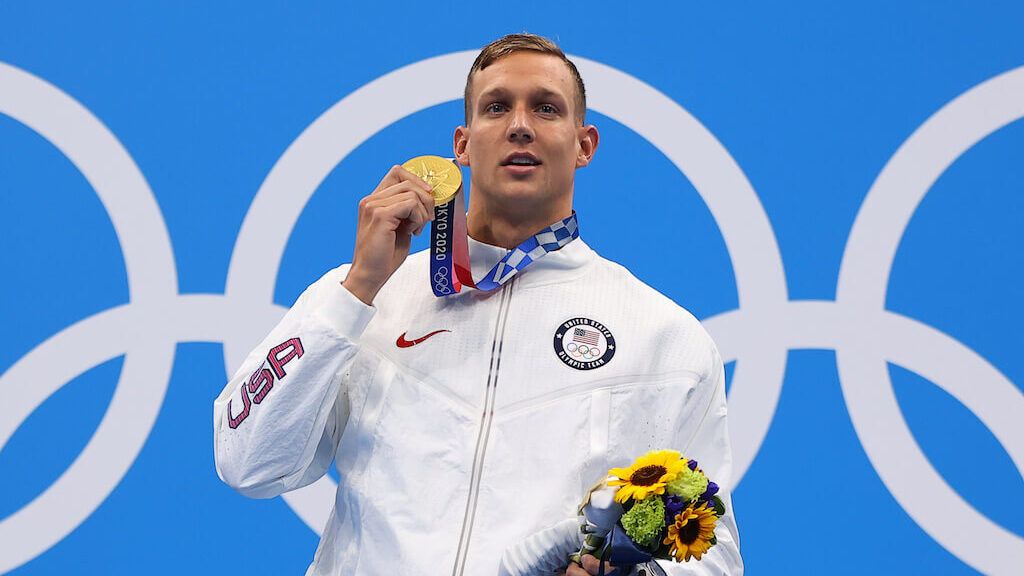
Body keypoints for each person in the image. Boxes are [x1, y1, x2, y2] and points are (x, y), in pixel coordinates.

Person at [213, 33, 742, 575]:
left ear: (584, 146)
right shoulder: (367, 299)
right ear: (462, 146)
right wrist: (358, 288)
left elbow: (712, 554)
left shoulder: (663, 336)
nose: (520, 125)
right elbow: (246, 462)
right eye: (496, 107)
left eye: (546, 108)